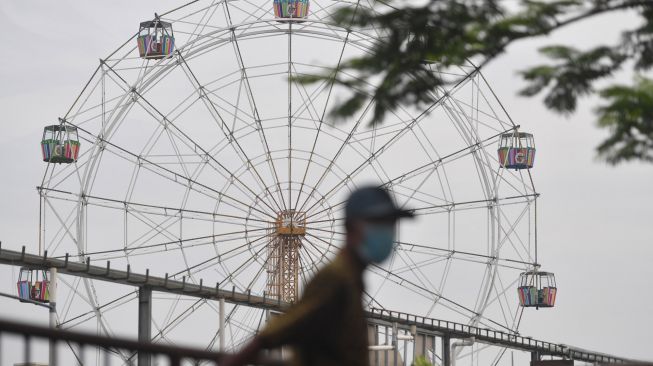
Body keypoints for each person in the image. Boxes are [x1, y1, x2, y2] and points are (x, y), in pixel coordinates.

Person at [221, 186, 414, 366]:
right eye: (379, 223)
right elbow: (280, 330)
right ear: (350, 227)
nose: (387, 232)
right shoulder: (335, 278)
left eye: (391, 224)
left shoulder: (353, 281)